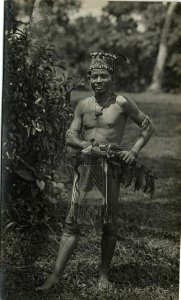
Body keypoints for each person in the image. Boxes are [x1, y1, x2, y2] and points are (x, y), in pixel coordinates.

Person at [36, 52, 155, 291]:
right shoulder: (83, 105)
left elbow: (148, 126)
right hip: (87, 167)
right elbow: (70, 134)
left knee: (109, 224)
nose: (97, 80)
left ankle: (103, 276)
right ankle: (54, 277)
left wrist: (133, 151)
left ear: (113, 77)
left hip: (110, 168)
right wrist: (85, 146)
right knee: (72, 223)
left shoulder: (122, 103)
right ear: (89, 78)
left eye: (103, 76)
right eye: (94, 76)